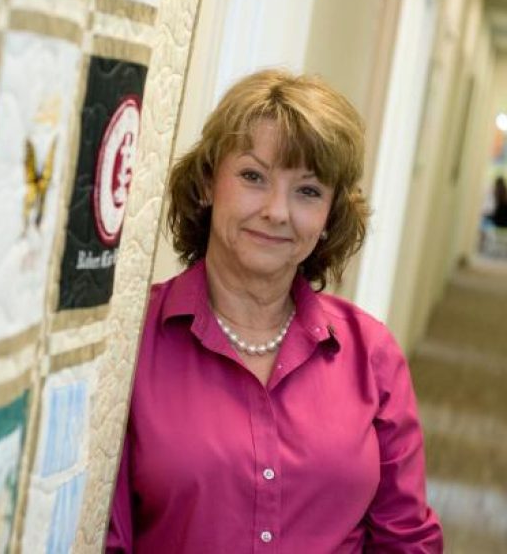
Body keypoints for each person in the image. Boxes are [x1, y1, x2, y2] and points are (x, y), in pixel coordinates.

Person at [107, 69, 443, 552]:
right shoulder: (132, 338)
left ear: (329, 216)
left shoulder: (373, 356)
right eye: (252, 177)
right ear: (207, 183)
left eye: (307, 191)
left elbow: (407, 540)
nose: (277, 211)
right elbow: (105, 535)